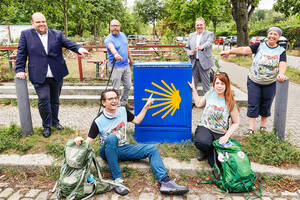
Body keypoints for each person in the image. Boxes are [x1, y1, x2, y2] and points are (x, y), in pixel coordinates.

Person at [74, 89, 189, 196]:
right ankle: (117, 180)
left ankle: (166, 182)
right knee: (112, 138)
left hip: (123, 148)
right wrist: (79, 140)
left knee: (152, 149)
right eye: (110, 99)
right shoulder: (98, 120)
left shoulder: (123, 111)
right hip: (107, 150)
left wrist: (146, 107)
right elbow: (89, 142)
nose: (114, 101)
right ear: (103, 102)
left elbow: (137, 120)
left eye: (115, 98)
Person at [15, 12, 89, 138]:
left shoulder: (57, 34)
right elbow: (21, 53)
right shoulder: (26, 35)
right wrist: (19, 69)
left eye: (43, 21)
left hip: (56, 73)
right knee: (44, 99)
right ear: (32, 23)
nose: (42, 24)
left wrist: (79, 49)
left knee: (55, 100)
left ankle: (55, 122)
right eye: (38, 22)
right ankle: (47, 126)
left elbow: (69, 43)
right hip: (38, 74)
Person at [220, 26, 287, 134]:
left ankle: (262, 127)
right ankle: (251, 129)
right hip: (254, 80)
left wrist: (281, 74)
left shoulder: (281, 50)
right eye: (271, 33)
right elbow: (244, 50)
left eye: (275, 34)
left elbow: (282, 63)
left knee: (266, 104)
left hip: (270, 82)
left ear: (279, 37)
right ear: (267, 35)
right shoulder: (259, 45)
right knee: (253, 103)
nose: (272, 36)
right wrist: (230, 51)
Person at [188, 72, 240, 166]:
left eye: (222, 84)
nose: (219, 86)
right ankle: (204, 150)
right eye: (217, 83)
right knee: (201, 142)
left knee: (217, 163)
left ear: (226, 85)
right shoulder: (210, 93)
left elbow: (235, 123)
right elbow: (199, 104)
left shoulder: (230, 101)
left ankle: (212, 151)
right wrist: (193, 89)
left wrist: (226, 137)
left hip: (220, 132)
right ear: (214, 84)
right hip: (206, 127)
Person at [105, 19, 133, 110]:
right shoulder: (108, 39)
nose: (115, 28)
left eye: (117, 26)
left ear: (119, 27)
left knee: (128, 85)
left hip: (126, 65)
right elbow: (111, 47)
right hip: (116, 67)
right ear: (110, 27)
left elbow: (127, 47)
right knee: (116, 89)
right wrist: (115, 54)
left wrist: (131, 59)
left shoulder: (123, 35)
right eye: (113, 26)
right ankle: (116, 106)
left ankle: (124, 103)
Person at [185, 17, 215, 95]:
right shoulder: (191, 35)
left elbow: (209, 42)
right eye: (197, 25)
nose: (199, 26)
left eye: (201, 25)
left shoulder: (209, 34)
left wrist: (202, 46)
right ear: (195, 26)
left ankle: (207, 103)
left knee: (206, 85)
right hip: (193, 62)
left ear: (204, 25)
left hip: (205, 62)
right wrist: (189, 52)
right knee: (192, 84)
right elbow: (187, 48)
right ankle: (193, 101)